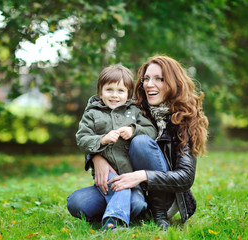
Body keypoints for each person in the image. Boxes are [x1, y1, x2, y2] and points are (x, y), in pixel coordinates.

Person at [67, 55, 209, 230]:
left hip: (162, 196)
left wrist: (142, 176)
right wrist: (96, 158)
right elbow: (94, 132)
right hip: (127, 184)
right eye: (146, 78)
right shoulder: (133, 107)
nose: (149, 84)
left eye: (159, 79)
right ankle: (133, 207)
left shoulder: (184, 119)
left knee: (141, 141)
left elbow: (185, 177)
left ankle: (154, 212)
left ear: (173, 83)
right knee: (77, 202)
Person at [74, 64, 158, 231]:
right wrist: (102, 139)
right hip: (106, 173)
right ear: (100, 92)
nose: (114, 95)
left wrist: (133, 130)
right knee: (77, 202)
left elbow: (152, 131)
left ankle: (114, 213)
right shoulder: (92, 113)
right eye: (109, 90)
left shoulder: (133, 112)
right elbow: (82, 139)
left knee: (137, 203)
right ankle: (114, 223)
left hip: (130, 174)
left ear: (128, 95)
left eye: (120, 91)